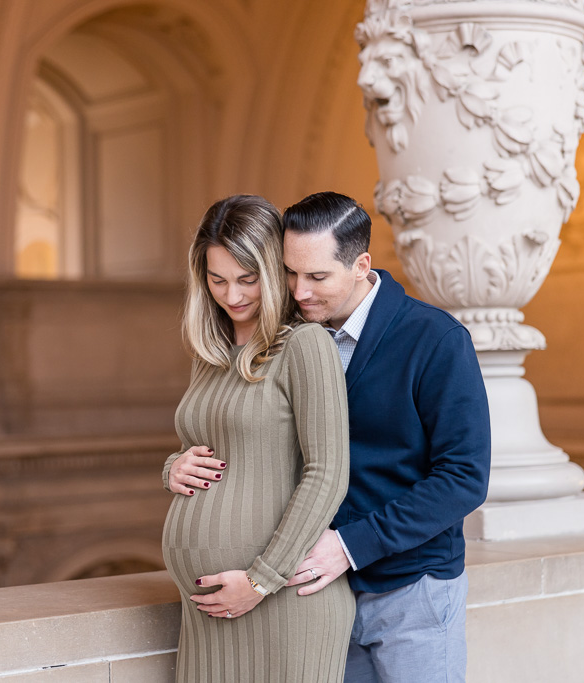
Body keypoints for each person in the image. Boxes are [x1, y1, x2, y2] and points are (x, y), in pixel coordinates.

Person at [171, 191, 491, 682]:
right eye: (290, 273)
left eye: (317, 277)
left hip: (409, 587)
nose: (300, 292)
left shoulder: (435, 339)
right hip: (318, 589)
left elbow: (464, 478)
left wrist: (348, 546)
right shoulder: (292, 333)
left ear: (361, 264)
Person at [161, 194, 355, 682]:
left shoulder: (305, 345)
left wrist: (260, 580)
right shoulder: (213, 354)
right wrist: (174, 467)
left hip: (283, 603)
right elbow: (215, 444)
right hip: (210, 615)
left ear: (273, 270)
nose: (233, 296)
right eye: (217, 280)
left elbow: (327, 473)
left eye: (248, 279)